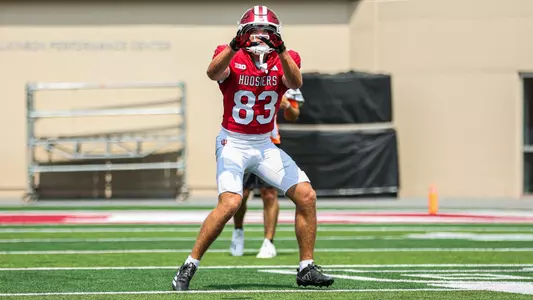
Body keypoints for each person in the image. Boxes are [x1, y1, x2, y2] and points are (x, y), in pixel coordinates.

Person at [171, 5, 334, 291]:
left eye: (267, 33)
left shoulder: (287, 58)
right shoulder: (231, 52)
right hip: (233, 141)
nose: (260, 38)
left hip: (264, 143)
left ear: (277, 35)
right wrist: (235, 45)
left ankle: (306, 267)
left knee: (306, 195)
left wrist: (281, 50)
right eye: (254, 32)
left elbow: (295, 82)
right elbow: (212, 73)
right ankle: (189, 265)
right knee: (231, 203)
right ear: (243, 33)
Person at [230, 88, 304, 259]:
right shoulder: (246, 70)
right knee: (240, 194)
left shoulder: (284, 76)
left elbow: (294, 115)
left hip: (269, 143)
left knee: (269, 194)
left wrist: (286, 106)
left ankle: (268, 241)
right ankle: (238, 231)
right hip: (243, 142)